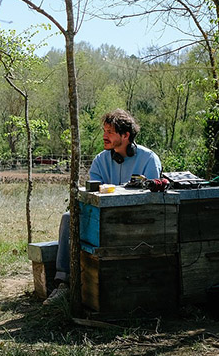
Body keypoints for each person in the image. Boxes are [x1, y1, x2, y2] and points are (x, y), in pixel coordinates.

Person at [44, 109, 161, 305]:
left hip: (137, 223)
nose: (104, 136)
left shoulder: (149, 159)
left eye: (110, 132)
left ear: (125, 136)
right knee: (67, 217)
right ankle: (63, 283)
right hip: (103, 219)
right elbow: (93, 196)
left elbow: (150, 199)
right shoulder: (100, 160)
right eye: (104, 131)